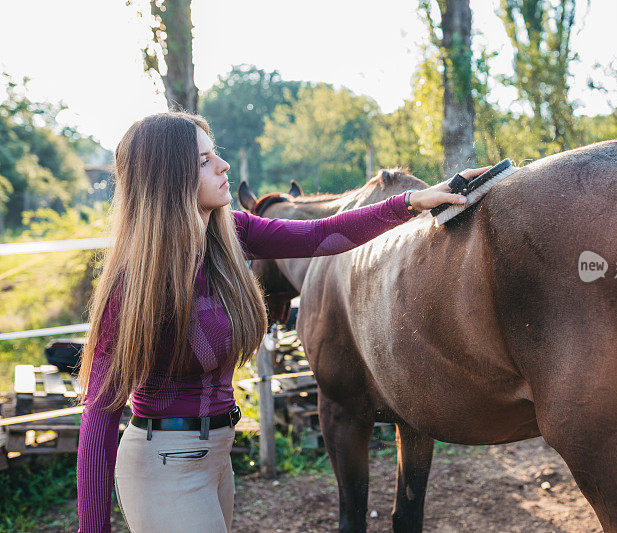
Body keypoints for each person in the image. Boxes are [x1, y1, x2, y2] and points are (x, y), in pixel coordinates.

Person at [76, 111, 487, 533]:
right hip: (163, 466)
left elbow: (318, 235)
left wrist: (409, 203)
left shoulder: (229, 234)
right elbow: (99, 415)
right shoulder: (134, 285)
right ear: (167, 179)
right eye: (203, 161)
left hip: (217, 457)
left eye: (214, 153)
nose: (223, 165)